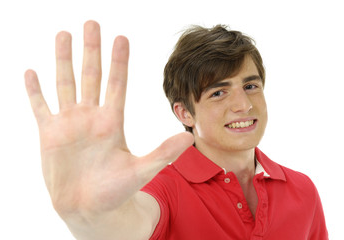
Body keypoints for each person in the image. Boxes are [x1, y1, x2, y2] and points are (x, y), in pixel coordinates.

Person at [24, 20, 328, 239]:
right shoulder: (164, 189)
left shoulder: (303, 190)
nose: (244, 105)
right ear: (184, 112)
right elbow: (125, 226)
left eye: (250, 86)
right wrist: (89, 216)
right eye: (218, 93)